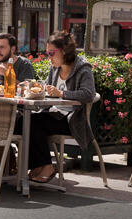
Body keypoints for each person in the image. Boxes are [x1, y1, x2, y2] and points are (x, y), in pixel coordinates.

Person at [14, 30, 96, 183]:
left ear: (64, 50)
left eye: (51, 53)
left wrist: (62, 93)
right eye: (47, 53)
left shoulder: (82, 68)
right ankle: (36, 165)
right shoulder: (55, 68)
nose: (49, 57)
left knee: (35, 122)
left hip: (72, 120)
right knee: (20, 122)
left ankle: (47, 166)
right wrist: (34, 86)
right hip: (53, 114)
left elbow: (88, 94)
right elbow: (47, 87)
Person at [0, 33, 35, 175]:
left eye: (2, 47)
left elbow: (28, 90)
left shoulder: (24, 64)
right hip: (0, 109)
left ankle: (1, 162)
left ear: (12, 49)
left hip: (20, 111)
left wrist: (6, 74)